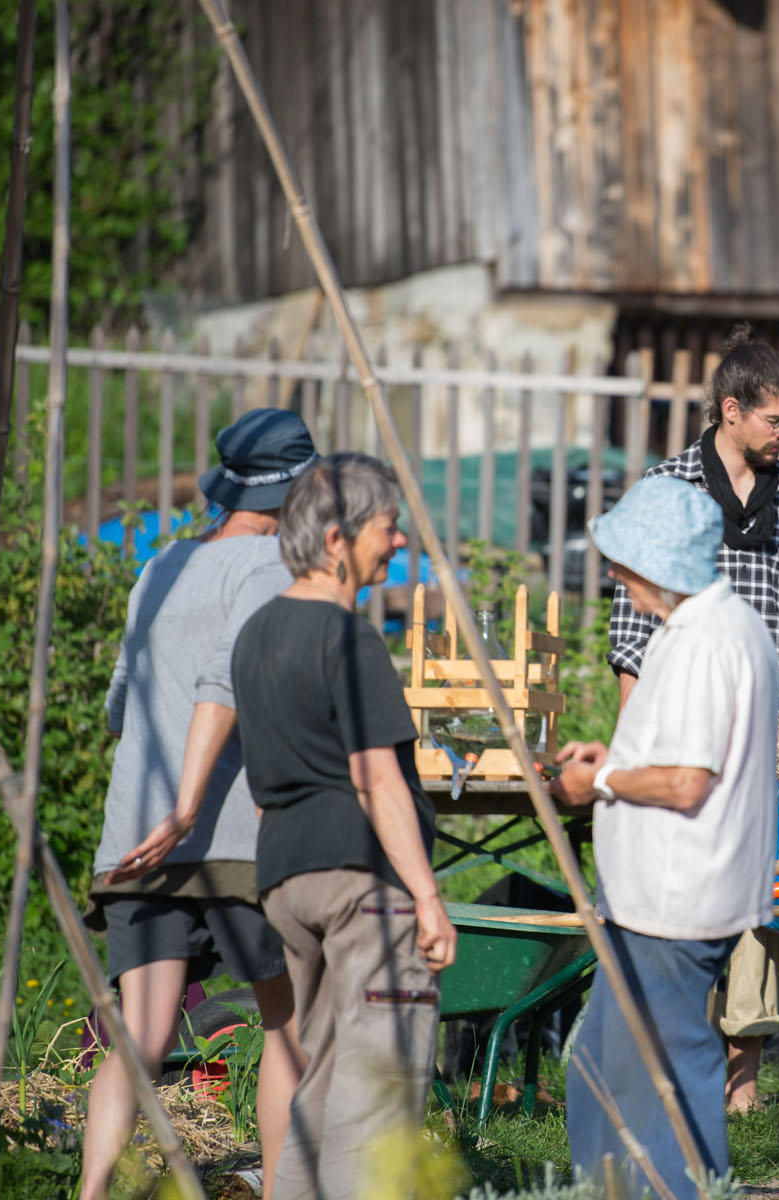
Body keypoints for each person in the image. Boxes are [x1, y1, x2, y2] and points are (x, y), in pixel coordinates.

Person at [606, 324, 779, 1110]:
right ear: (731, 410)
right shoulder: (668, 487)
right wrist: (634, 739)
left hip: (768, 728)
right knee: (678, 882)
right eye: (777, 421)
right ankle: (668, 1061)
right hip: (681, 722)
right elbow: (630, 630)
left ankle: (740, 1083)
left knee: (760, 900)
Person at [80, 408, 313, 1200]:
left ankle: (90, 1191)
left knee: (138, 1036)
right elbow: (233, 680)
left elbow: (119, 707)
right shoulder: (272, 567)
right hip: (232, 839)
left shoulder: (161, 566)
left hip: (132, 830)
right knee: (285, 1029)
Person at [230, 452, 457, 1200]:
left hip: (286, 880)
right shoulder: (347, 638)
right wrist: (426, 896)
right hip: (362, 887)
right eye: (387, 529)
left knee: (319, 1088)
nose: (397, 543)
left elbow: (264, 788)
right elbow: (374, 776)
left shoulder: (256, 634)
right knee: (378, 1096)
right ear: (337, 539)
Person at [557, 476, 779, 1200]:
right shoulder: (719, 626)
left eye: (624, 563)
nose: (617, 577)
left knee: (665, 1075)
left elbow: (687, 781)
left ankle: (673, 1190)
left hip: (676, 896)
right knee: (605, 1060)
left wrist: (603, 783)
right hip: (671, 892)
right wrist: (614, 764)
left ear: (659, 564)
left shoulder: (703, 642)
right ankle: (616, 1189)